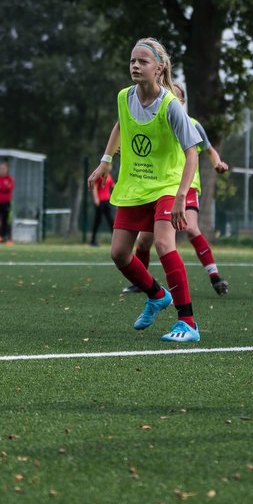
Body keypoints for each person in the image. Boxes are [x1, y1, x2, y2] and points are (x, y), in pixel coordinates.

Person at [87, 38, 201, 342]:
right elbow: (120, 126)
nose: (135, 66)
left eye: (143, 62)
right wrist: (106, 160)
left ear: (159, 68)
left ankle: (188, 322)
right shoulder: (125, 97)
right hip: (135, 186)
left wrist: (180, 196)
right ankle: (156, 294)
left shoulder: (170, 105)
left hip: (166, 185)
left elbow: (192, 152)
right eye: (132, 61)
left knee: (164, 245)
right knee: (119, 253)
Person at [125, 85, 231, 295]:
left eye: (175, 94)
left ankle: (215, 276)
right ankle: (141, 281)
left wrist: (218, 163)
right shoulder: (156, 120)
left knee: (191, 229)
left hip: (187, 187)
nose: (169, 96)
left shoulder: (192, 124)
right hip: (158, 187)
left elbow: (209, 149)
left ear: (181, 101)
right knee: (145, 240)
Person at [0, 161, 15, 243]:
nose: (2, 170)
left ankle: (4, 237)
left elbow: (9, 189)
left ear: (7, 169)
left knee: (5, 220)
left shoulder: (10, 179)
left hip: (6, 202)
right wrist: (2, 188)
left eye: (3, 168)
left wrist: (1, 188)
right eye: (1, 168)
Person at [89, 171, 115, 246]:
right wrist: (96, 198)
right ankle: (92, 241)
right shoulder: (99, 176)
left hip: (107, 201)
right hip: (100, 201)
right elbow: (95, 187)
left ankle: (115, 241)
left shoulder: (109, 176)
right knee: (97, 221)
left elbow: (113, 185)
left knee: (111, 221)